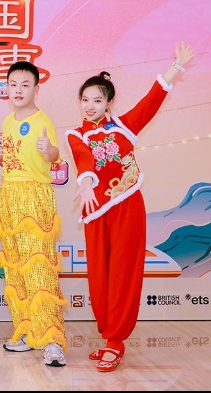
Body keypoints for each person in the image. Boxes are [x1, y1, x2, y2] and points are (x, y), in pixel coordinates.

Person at [67, 42, 195, 372]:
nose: (90, 106)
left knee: (124, 272)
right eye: (85, 100)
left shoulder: (124, 126)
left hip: (126, 206)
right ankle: (108, 333)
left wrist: (176, 67)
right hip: (96, 209)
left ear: (109, 103)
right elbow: (83, 159)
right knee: (99, 276)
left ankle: (116, 341)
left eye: (97, 100)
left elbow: (152, 100)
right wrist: (86, 181)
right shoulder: (76, 135)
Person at [0, 61, 67, 367]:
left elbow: (54, 156)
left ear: (36, 89)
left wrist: (49, 150)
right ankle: (27, 331)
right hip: (9, 196)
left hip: (34, 197)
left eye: (25, 85)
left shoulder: (42, 120)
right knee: (16, 268)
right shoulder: (8, 121)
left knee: (39, 268)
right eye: (13, 85)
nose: (18, 90)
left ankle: (52, 340)